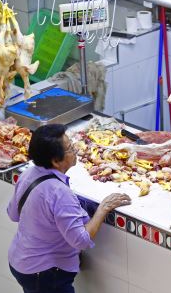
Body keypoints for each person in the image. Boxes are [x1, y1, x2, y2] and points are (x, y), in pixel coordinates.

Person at [7, 124, 131, 293]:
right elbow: (80, 240)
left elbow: (13, 214)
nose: (75, 150)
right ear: (56, 161)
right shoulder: (59, 193)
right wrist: (103, 209)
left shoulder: (27, 174)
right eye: (70, 148)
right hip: (44, 274)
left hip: (19, 261)